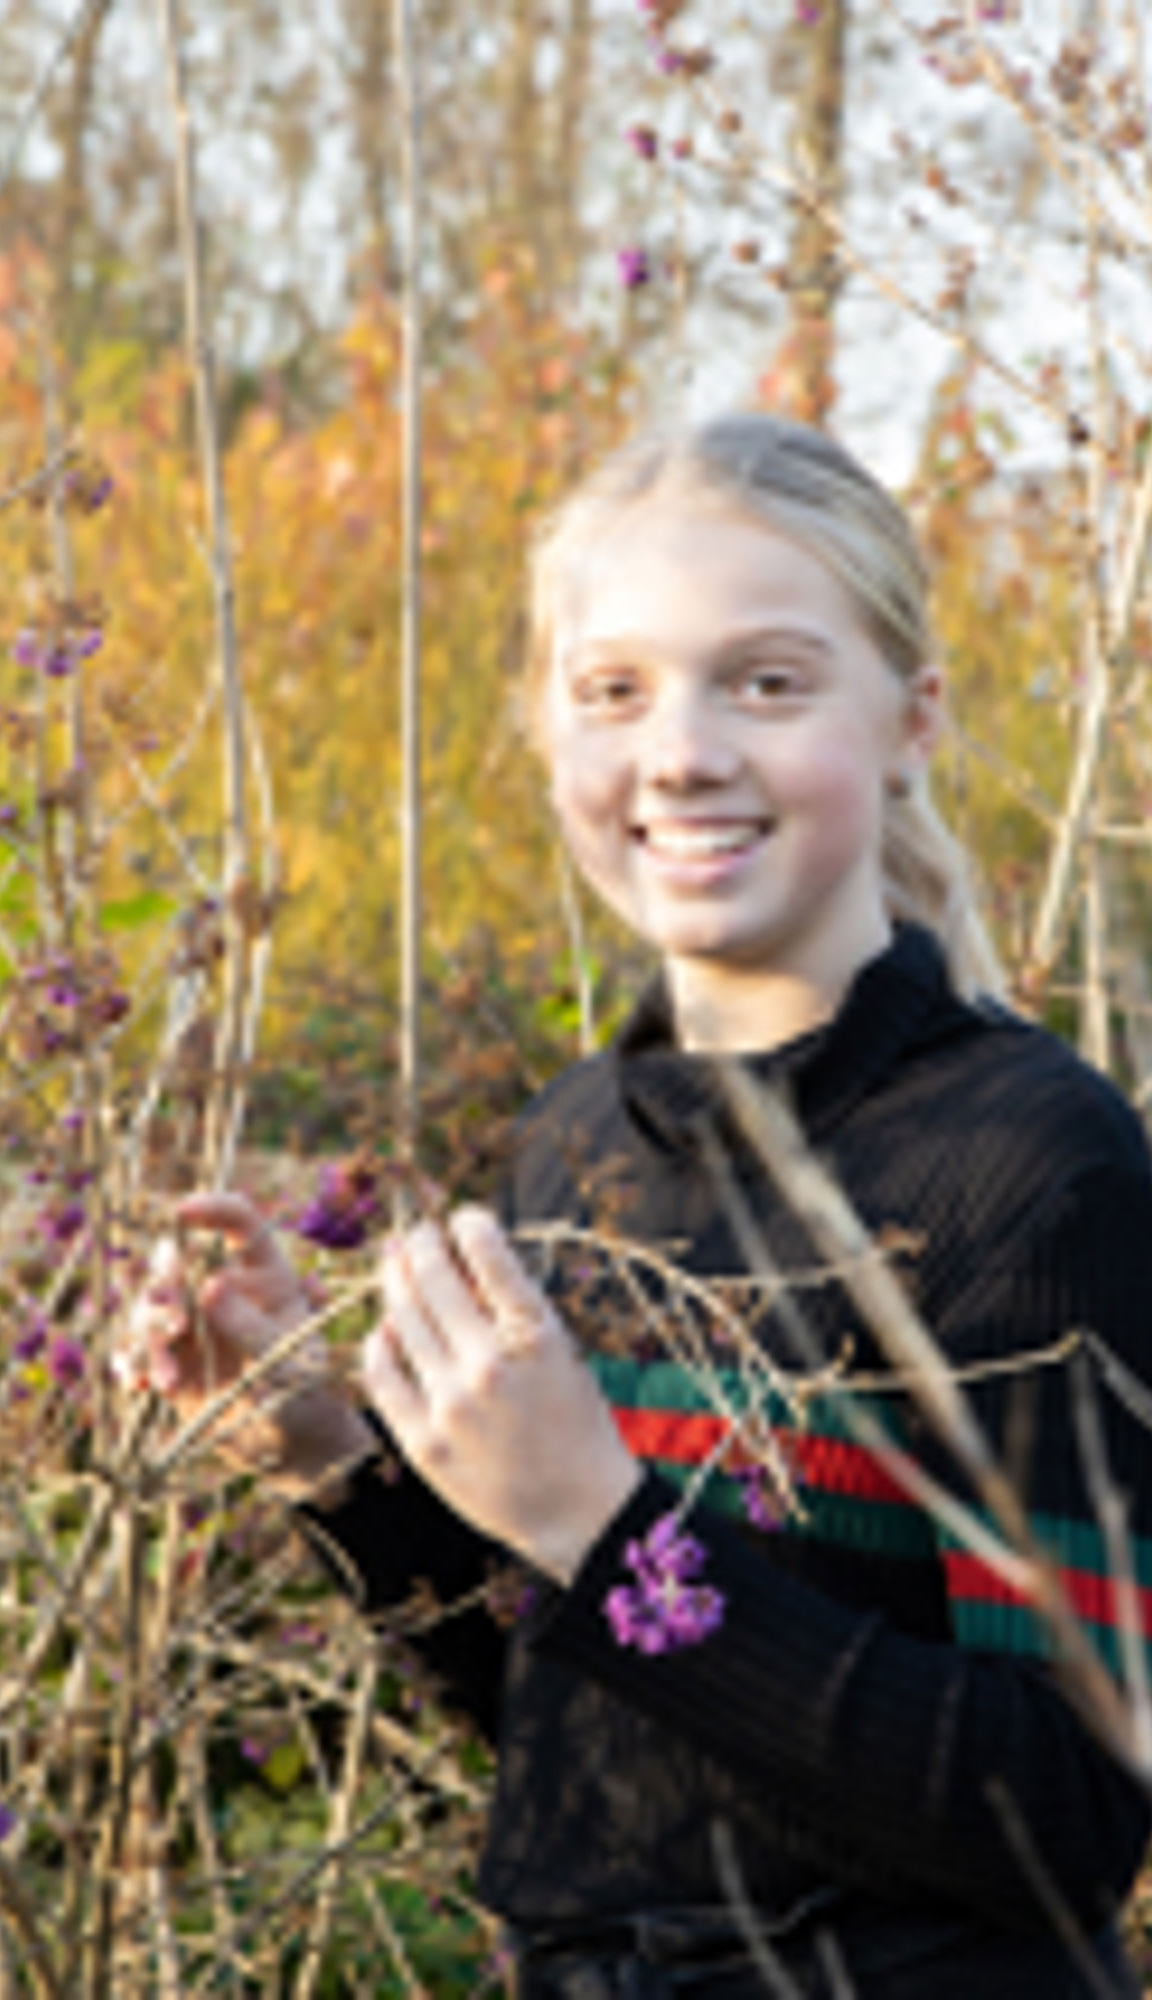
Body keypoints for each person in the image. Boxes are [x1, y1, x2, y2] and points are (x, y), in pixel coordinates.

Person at [118, 413, 1152, 1997]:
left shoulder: (1030, 1164)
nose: (681, 753)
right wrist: (325, 1451)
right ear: (549, 734)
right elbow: (587, 1696)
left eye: (768, 681)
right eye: (615, 691)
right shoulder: (575, 1148)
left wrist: (605, 1529)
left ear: (913, 720)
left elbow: (1063, 1816)